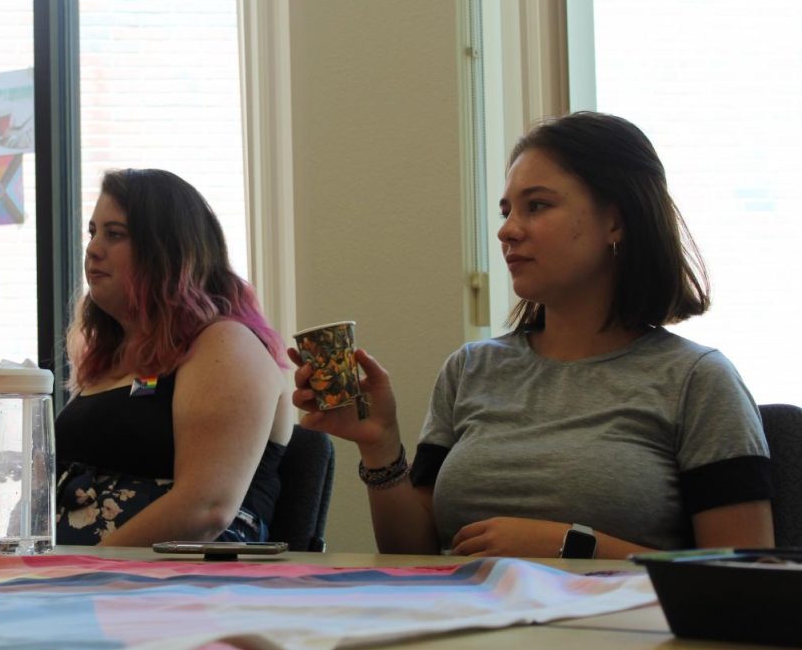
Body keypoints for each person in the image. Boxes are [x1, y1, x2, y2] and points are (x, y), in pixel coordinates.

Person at [292, 112, 775, 558]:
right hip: (468, 634)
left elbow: (743, 572)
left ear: (616, 220)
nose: (507, 231)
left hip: (620, 643)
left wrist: (573, 544)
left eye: (537, 206)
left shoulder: (698, 380)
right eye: (506, 211)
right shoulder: (469, 369)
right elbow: (415, 554)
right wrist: (382, 446)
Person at [55, 168, 293, 546]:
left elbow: (205, 510)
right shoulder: (111, 358)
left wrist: (72, 572)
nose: (93, 249)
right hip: (81, 582)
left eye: (114, 234)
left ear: (169, 249)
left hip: (177, 587)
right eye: (93, 232)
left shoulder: (225, 343)